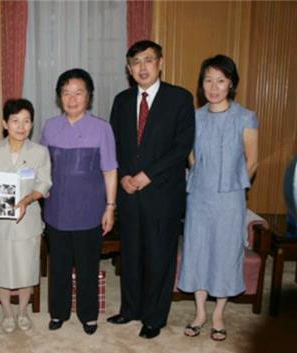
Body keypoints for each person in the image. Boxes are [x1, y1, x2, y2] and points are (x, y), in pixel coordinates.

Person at [108, 40, 195, 339]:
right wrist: (121, 176)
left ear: (160, 62)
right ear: (129, 69)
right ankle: (130, 308)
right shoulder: (121, 100)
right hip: (129, 192)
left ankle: (154, 317)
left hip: (163, 193)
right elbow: (114, 144)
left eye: (148, 60)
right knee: (130, 253)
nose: (142, 67)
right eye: (135, 62)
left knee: (159, 255)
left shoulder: (180, 98)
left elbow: (181, 146)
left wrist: (147, 175)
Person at [178, 55, 258, 342]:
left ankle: (219, 314)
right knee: (197, 250)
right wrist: (196, 170)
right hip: (199, 195)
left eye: (220, 81)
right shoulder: (194, 117)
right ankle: (199, 312)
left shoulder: (245, 117)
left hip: (230, 199)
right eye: (208, 80)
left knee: (225, 252)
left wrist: (233, 185)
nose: (214, 87)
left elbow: (252, 161)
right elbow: (189, 153)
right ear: (201, 85)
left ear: (231, 84)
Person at [40, 69, 118, 335]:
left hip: (90, 211)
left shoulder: (102, 128)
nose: (72, 99)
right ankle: (58, 313)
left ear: (89, 96)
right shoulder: (50, 126)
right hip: (57, 210)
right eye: (66, 93)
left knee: (88, 266)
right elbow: (42, 167)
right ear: (59, 97)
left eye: (78, 92)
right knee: (58, 266)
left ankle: (88, 315)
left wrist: (110, 207)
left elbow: (109, 170)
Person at [0, 99, 52, 333]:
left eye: (26, 121)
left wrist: (26, 200)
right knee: (1, 268)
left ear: (31, 124)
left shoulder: (39, 152)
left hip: (27, 220)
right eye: (15, 121)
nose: (21, 126)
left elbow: (44, 184)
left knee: (27, 269)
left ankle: (23, 311)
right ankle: (7, 312)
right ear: (5, 123)